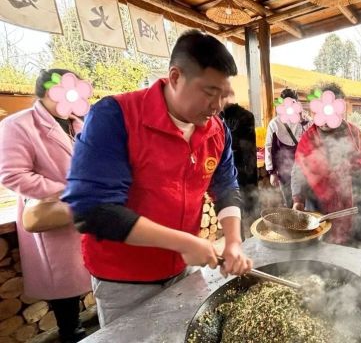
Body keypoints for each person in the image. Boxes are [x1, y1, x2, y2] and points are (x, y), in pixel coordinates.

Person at [62, 30, 253, 327]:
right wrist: (183, 242)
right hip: (124, 280)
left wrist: (233, 240)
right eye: (209, 92)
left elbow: (226, 185)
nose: (217, 106)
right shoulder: (116, 116)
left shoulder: (216, 130)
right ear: (175, 77)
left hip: (182, 271)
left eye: (223, 95)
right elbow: (93, 211)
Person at [0, 69, 91, 342]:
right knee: (64, 288)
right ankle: (70, 333)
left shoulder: (79, 122)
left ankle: (85, 332)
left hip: (83, 213)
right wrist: (65, 189)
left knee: (87, 275)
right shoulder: (19, 124)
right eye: (65, 91)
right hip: (52, 215)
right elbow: (12, 175)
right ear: (47, 92)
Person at [291, 83, 361, 246]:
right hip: (319, 205)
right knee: (324, 251)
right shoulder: (308, 137)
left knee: (355, 250)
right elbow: (298, 170)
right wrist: (298, 199)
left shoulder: (354, 133)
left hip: (354, 203)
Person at [265, 88, 310, 207]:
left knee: (304, 203)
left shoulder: (305, 121)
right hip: (284, 171)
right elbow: (269, 148)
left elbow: (312, 141)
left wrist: (302, 120)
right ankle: (292, 224)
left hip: (304, 170)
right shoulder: (274, 123)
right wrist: (272, 172)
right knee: (290, 203)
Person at [221, 95, 258, 239]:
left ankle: (250, 244)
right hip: (230, 174)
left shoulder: (244, 117)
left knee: (247, 212)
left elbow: (244, 148)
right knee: (236, 213)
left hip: (243, 173)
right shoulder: (218, 117)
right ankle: (242, 244)